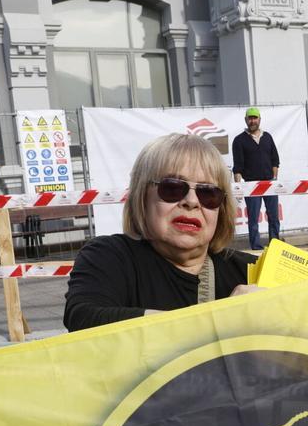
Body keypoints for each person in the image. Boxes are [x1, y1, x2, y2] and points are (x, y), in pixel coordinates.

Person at [64, 133, 256, 331]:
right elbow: (83, 319)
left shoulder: (252, 270)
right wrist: (223, 320)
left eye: (208, 193)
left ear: (221, 208)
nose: (191, 201)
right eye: (172, 188)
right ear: (142, 197)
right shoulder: (110, 257)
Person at [231, 106, 280, 251]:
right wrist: (238, 187)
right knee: (253, 219)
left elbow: (275, 159)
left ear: (259, 119)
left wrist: (274, 178)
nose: (252, 121)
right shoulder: (239, 140)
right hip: (251, 185)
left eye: (255, 118)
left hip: (269, 183)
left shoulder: (268, 137)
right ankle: (256, 247)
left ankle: (275, 245)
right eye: (250, 118)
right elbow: (238, 166)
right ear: (246, 120)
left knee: (273, 217)